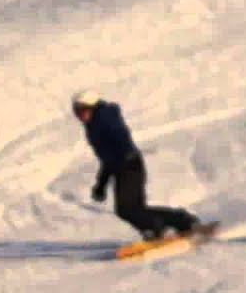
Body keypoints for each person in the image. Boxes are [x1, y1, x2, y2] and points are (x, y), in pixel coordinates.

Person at [72, 91, 202, 241]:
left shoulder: (104, 118)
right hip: (124, 166)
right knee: (134, 209)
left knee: (126, 210)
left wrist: (123, 153)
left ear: (92, 107)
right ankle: (184, 222)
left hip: (128, 165)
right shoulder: (93, 126)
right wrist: (101, 184)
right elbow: (106, 158)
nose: (80, 115)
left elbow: (119, 134)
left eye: (82, 110)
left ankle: (156, 228)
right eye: (77, 112)